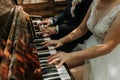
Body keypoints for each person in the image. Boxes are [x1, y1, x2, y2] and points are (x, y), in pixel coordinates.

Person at [42, 0, 120, 80]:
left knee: (60, 77)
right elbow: (81, 29)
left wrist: (70, 55)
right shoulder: (95, 2)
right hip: (89, 48)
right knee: (48, 68)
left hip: (108, 57)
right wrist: (61, 41)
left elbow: (106, 47)